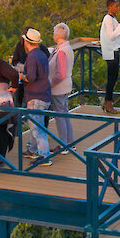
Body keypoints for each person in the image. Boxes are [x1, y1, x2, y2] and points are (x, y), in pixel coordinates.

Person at [20, 28, 54, 165]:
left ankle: (45, 156)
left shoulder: (32, 56)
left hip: (35, 96)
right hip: (44, 93)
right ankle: (34, 150)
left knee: (37, 128)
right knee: (35, 125)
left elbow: (31, 77)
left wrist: (20, 76)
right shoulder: (41, 54)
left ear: (26, 42)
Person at [48, 23, 75, 152]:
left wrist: (50, 84)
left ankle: (63, 144)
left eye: (54, 32)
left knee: (60, 117)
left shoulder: (62, 51)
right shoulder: (66, 48)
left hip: (59, 88)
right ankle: (69, 142)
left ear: (58, 35)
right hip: (65, 87)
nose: (53, 34)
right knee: (65, 114)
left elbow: (61, 73)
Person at [99, 0, 120, 114]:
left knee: (113, 78)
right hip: (111, 52)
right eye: (116, 6)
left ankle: (107, 102)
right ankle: (108, 104)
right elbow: (111, 35)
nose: (118, 8)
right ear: (110, 7)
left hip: (115, 50)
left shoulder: (111, 18)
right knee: (111, 79)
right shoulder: (108, 19)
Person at [10, 26, 32, 107]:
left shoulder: (39, 49)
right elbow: (14, 62)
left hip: (33, 82)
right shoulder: (19, 46)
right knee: (20, 102)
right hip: (22, 79)